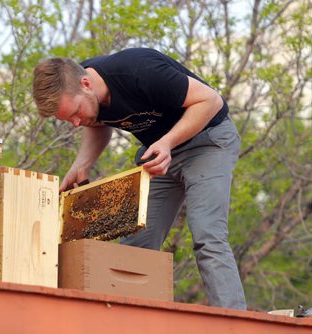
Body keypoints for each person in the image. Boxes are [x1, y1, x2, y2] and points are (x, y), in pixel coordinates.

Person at [32, 48, 247, 310]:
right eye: (70, 120)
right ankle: (129, 322)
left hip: (207, 141)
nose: (77, 123)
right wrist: (82, 164)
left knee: (207, 234)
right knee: (135, 247)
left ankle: (234, 320)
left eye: (76, 112)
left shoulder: (139, 72)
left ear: (86, 84)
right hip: (159, 155)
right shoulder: (82, 86)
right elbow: (97, 122)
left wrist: (168, 142)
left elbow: (211, 101)